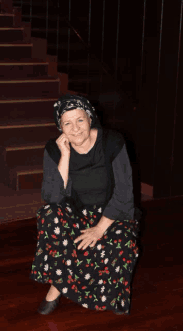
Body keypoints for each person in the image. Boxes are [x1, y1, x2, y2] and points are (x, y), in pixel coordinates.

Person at [30, 94, 140, 316]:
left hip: (112, 212)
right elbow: (52, 197)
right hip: (77, 211)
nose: (75, 128)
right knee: (48, 215)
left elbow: (124, 192)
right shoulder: (54, 149)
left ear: (90, 119)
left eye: (80, 120)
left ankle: (68, 286)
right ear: (60, 127)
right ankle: (61, 283)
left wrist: (100, 228)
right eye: (67, 123)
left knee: (120, 242)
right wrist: (65, 156)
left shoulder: (112, 142)